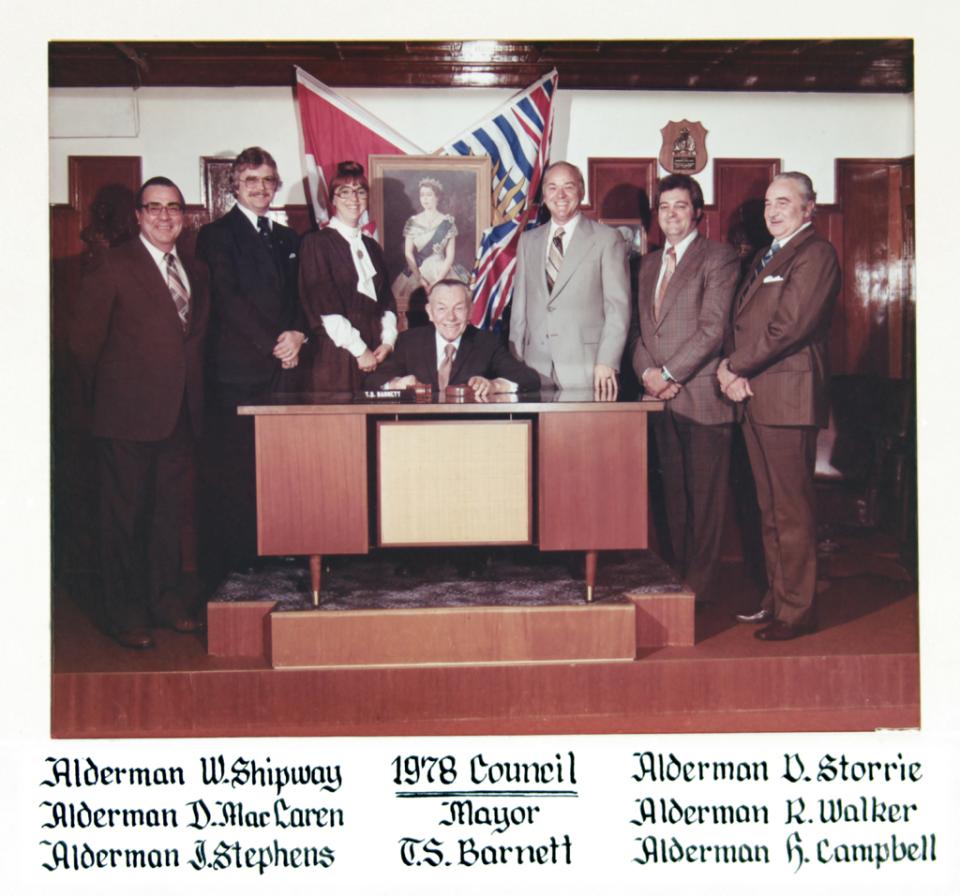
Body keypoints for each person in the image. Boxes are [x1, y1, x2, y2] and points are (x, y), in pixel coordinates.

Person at [69, 176, 209, 649]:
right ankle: (124, 612)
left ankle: (164, 601)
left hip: (180, 415)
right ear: (138, 215)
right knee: (123, 520)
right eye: (154, 208)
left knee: (167, 517)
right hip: (124, 417)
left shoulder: (195, 268)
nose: (165, 216)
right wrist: (110, 401)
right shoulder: (112, 265)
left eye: (173, 207)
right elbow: (82, 346)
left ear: (185, 215)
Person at [717, 172, 840, 641]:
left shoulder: (815, 254)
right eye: (769, 202)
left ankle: (799, 612)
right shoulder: (768, 255)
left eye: (784, 201)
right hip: (756, 397)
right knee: (769, 509)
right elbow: (744, 321)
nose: (773, 210)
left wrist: (732, 366)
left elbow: (788, 328)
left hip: (787, 400)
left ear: (810, 208)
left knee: (791, 510)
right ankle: (779, 598)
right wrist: (736, 371)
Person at [195, 146, 305, 578]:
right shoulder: (215, 235)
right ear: (234, 186)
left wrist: (298, 334)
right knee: (238, 469)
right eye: (251, 181)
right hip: (240, 371)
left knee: (280, 465)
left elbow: (300, 297)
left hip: (287, 369)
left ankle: (277, 550)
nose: (261, 188)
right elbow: (227, 299)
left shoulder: (286, 237)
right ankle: (239, 562)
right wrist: (273, 344)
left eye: (268, 180)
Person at [629, 174, 739, 604]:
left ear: (697, 212)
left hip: (701, 397)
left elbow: (713, 329)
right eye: (664, 207)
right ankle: (676, 580)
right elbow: (638, 332)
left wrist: (669, 375)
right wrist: (647, 377)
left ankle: (700, 591)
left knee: (705, 497)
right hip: (659, 398)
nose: (671, 215)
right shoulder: (648, 264)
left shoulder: (719, 258)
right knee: (672, 493)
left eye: (680, 206)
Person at [508, 161, 630, 399]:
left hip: (587, 368)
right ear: (544, 195)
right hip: (535, 367)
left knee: (582, 435)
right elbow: (519, 310)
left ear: (581, 192)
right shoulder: (528, 241)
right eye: (552, 187)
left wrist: (608, 360)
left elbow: (618, 308)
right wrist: (516, 363)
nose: (560, 195)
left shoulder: (607, 239)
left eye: (568, 187)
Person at [299, 161, 397, 392]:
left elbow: (386, 301)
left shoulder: (372, 246)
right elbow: (324, 307)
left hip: (376, 353)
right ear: (332, 199)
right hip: (337, 354)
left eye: (360, 192)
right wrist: (360, 350)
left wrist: (388, 342)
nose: (354, 199)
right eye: (344, 192)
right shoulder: (316, 243)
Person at [366, 278, 540, 396]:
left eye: (458, 308)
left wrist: (495, 385)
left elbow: (529, 379)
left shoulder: (487, 342)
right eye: (441, 309)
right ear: (430, 312)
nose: (451, 317)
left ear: (470, 311)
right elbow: (371, 382)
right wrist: (397, 383)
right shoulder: (409, 342)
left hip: (471, 433)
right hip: (419, 434)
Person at [390, 177, 470, 327]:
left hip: (442, 270)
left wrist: (439, 280)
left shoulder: (447, 222)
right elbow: (408, 253)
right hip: (417, 270)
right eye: (422, 195)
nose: (425, 199)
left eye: (429, 195)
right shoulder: (413, 221)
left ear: (437, 197)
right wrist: (419, 277)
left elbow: (450, 256)